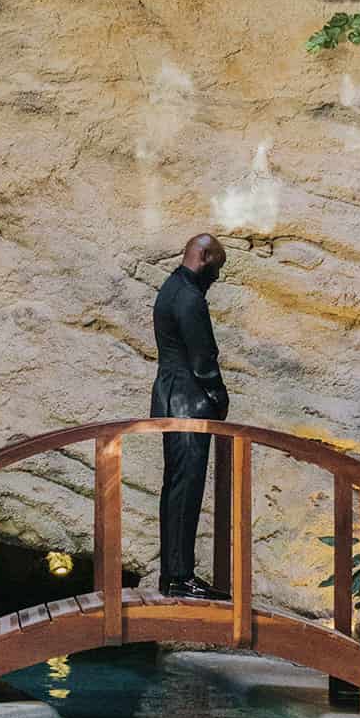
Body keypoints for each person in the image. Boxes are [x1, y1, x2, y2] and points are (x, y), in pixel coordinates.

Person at [150, 234, 229, 597]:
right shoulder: (189, 297)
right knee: (186, 488)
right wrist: (219, 397)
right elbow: (202, 359)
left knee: (176, 487)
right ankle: (180, 577)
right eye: (217, 267)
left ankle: (173, 575)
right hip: (188, 403)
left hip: (169, 398)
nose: (216, 277)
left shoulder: (169, 288)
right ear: (204, 255)